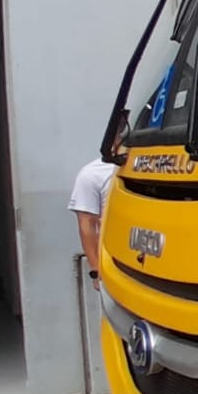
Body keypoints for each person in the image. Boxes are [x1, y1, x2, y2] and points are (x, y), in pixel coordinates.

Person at [69, 115, 125, 289]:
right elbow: (86, 225)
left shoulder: (151, 169)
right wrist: (96, 269)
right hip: (113, 263)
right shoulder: (92, 174)